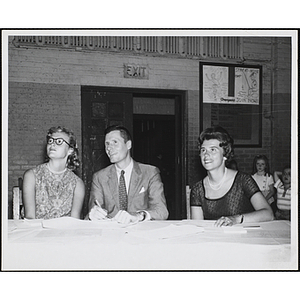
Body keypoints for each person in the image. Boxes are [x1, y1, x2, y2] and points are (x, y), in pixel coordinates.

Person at [190, 126, 274, 226]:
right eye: (203, 150)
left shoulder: (243, 180)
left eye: (213, 150)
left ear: (225, 154)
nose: (206, 155)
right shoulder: (197, 189)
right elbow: (198, 227)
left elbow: (269, 214)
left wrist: (236, 219)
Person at [87, 125, 168, 224]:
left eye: (115, 142)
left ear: (128, 145)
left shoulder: (150, 173)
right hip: (111, 235)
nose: (109, 148)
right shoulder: (99, 177)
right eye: (107, 144)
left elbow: (161, 211)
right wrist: (93, 214)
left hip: (141, 233)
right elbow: (91, 213)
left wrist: (138, 216)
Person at [22, 126, 85, 219]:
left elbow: (74, 221)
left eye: (59, 142)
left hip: (64, 232)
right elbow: (30, 217)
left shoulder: (77, 184)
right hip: (37, 230)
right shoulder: (31, 176)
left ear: (70, 150)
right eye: (50, 141)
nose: (52, 145)